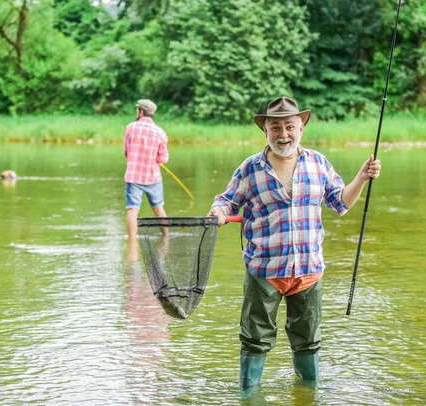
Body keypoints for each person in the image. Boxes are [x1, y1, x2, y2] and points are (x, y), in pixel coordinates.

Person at [207, 96, 381, 389]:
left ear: (302, 128)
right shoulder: (250, 168)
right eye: (275, 127)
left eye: (290, 126)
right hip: (264, 271)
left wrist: (362, 177)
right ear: (265, 131)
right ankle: (248, 395)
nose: (283, 134)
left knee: (308, 340)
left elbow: (341, 202)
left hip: (309, 271)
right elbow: (226, 201)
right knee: (254, 339)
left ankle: (308, 392)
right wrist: (219, 212)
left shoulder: (318, 163)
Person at [124, 99, 169, 241]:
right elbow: (163, 159)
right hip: (153, 178)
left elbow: (126, 152)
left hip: (133, 177)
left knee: (132, 210)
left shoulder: (130, 128)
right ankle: (166, 237)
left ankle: (131, 242)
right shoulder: (160, 133)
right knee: (159, 208)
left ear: (141, 112)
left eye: (137, 110)